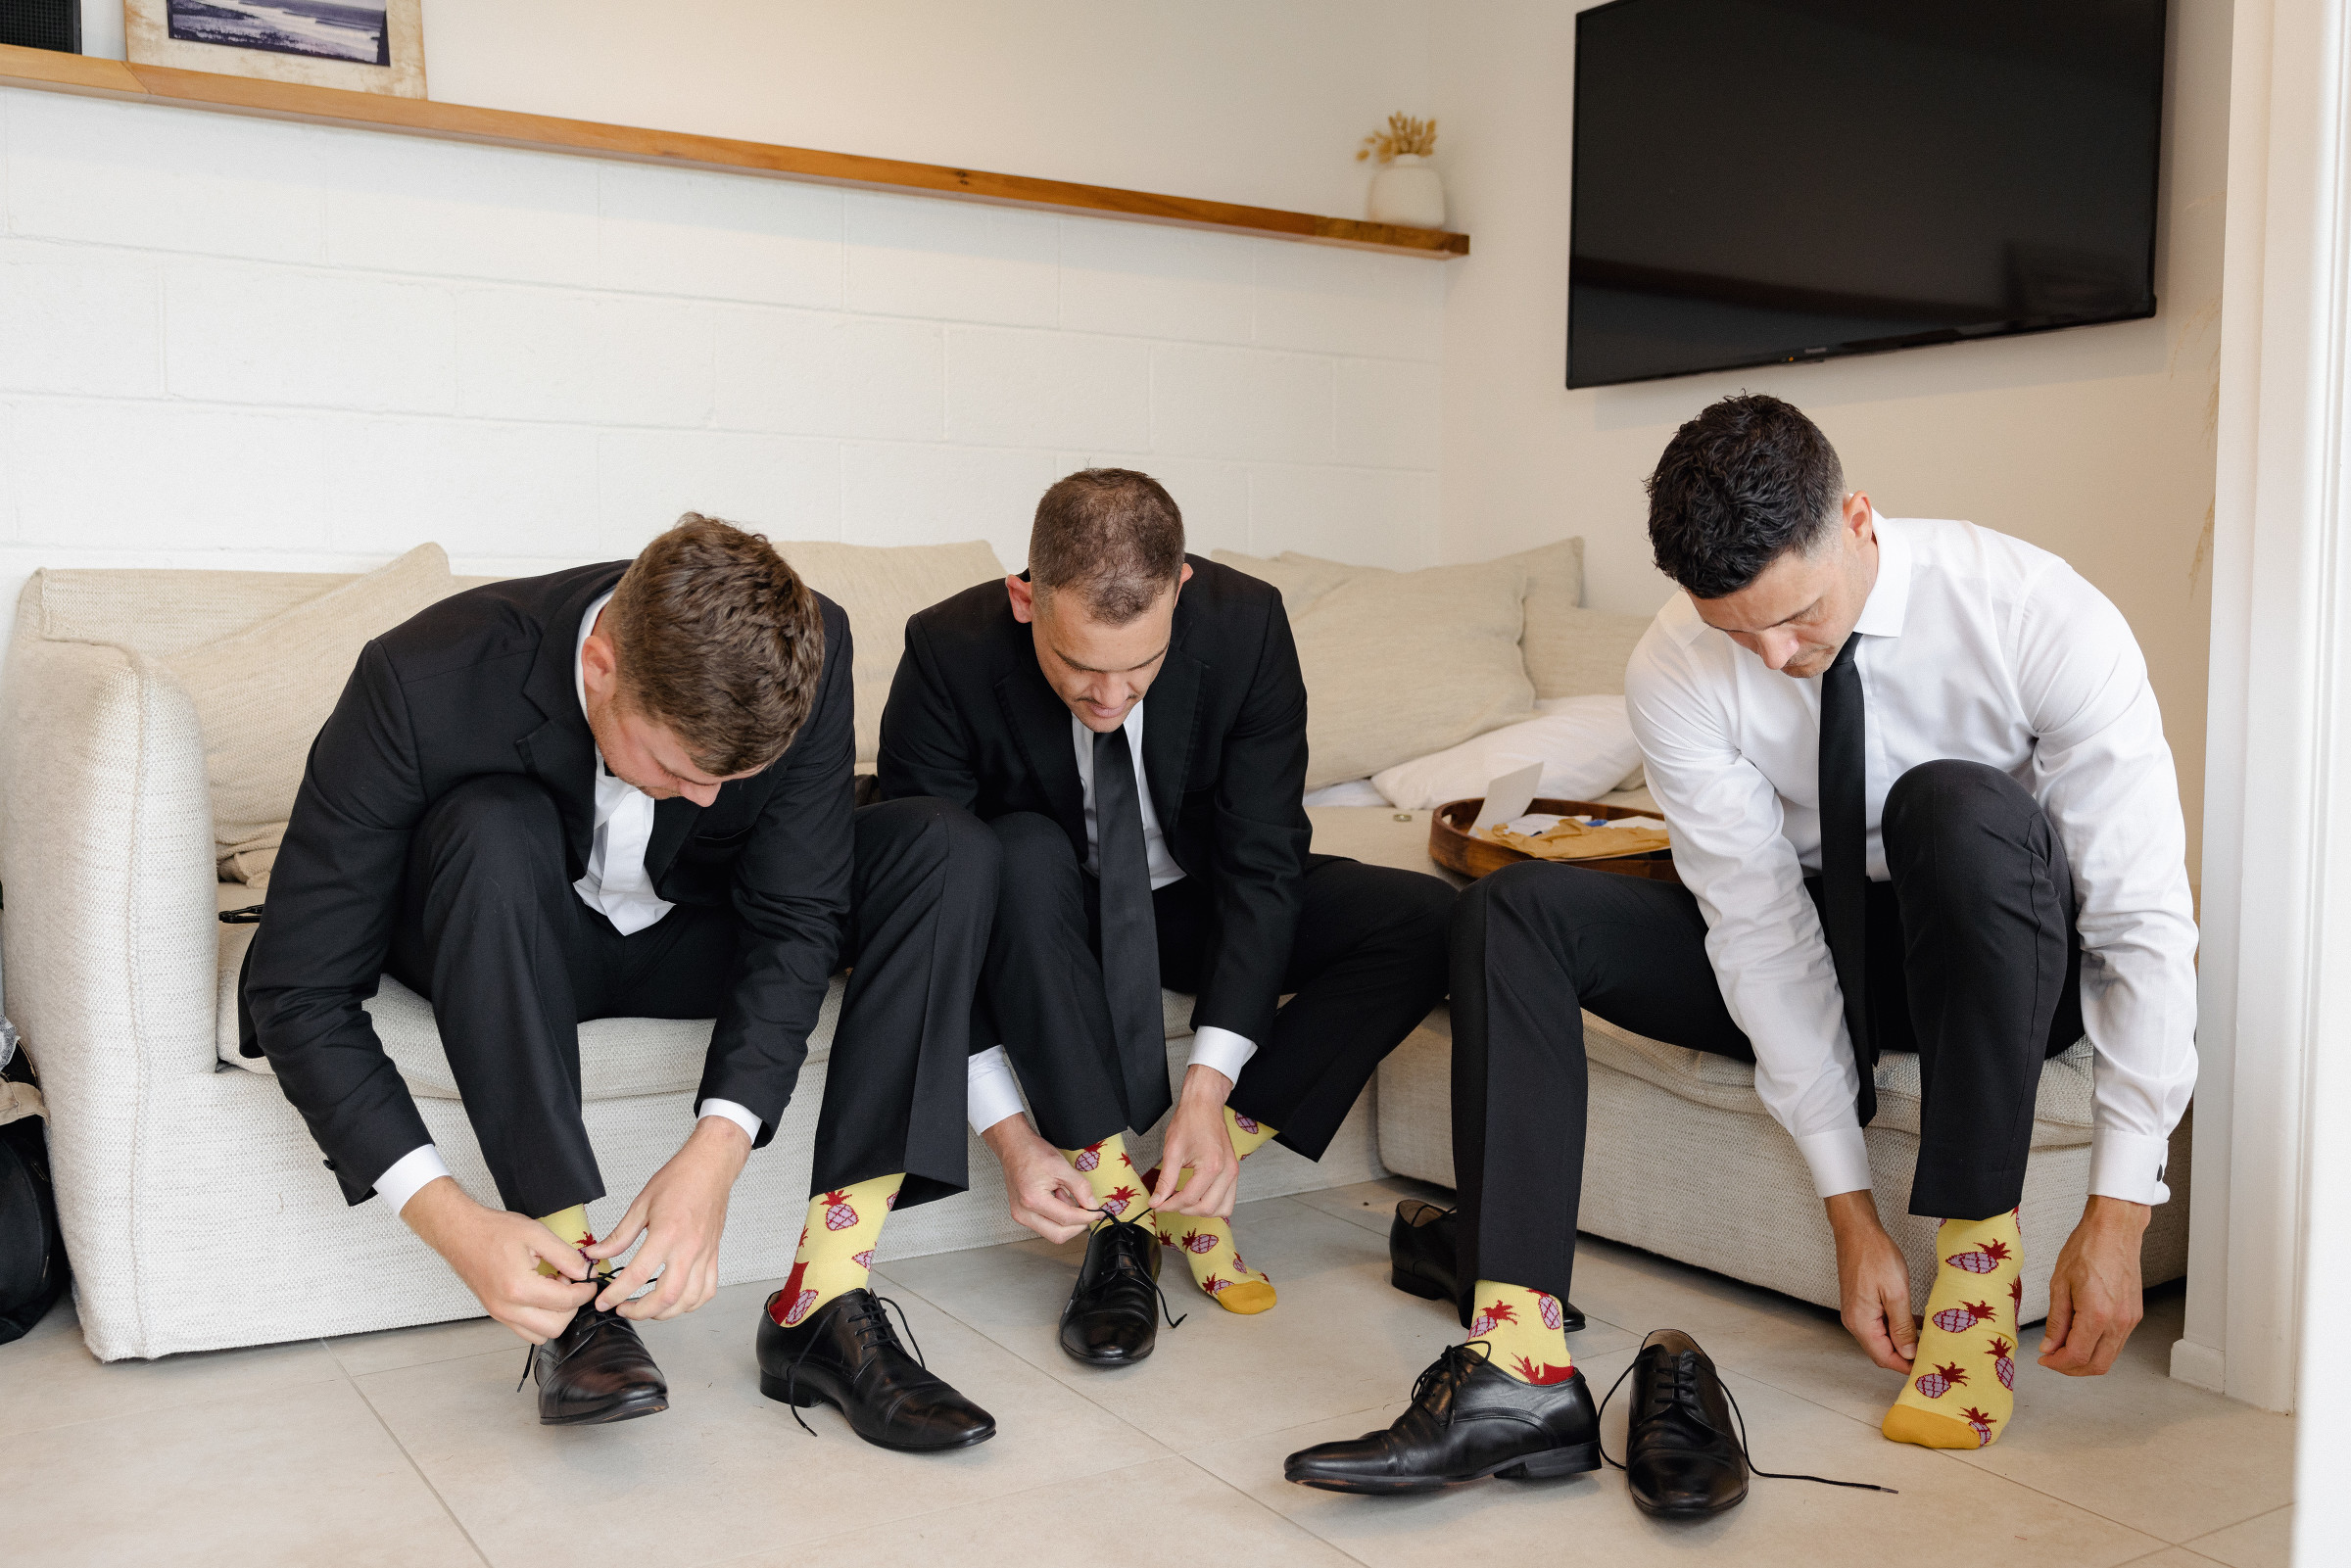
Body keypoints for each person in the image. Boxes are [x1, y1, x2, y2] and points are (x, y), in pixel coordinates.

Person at [1287, 393, 2195, 1498]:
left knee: (1950, 803)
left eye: (1798, 615)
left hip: (1990, 959)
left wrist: (2120, 1207)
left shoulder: (2035, 612)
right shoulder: (1675, 664)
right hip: (1818, 938)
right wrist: (1848, 1209)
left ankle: (1976, 1264)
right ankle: (1517, 1364)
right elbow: (1760, 927)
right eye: (1735, 630)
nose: (1773, 656)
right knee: (1509, 909)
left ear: (1855, 520)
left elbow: (2140, 915)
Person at [242, 515, 1001, 1450]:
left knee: (943, 848)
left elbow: (798, 913)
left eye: (737, 776)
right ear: (600, 666)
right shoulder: (421, 678)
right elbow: (297, 989)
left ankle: (825, 1295)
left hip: (698, 931)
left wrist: (717, 1151)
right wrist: (452, 1222)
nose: (712, 797)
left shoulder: (813, 642)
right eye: (681, 768)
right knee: (490, 824)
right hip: (506, 934)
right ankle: (572, 1300)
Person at [878, 469, 1454, 1366]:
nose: (1110, 698)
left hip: (1193, 896)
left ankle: (1192, 1180)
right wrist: (1008, 1133)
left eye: (1140, 666)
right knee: (1017, 849)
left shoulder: (1246, 623)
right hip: (1037, 916)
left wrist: (1207, 1092)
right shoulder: (947, 650)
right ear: (1025, 601)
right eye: (1080, 665)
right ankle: (1119, 1216)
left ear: (1179, 590)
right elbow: (929, 903)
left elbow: (1264, 858)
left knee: (1429, 918)